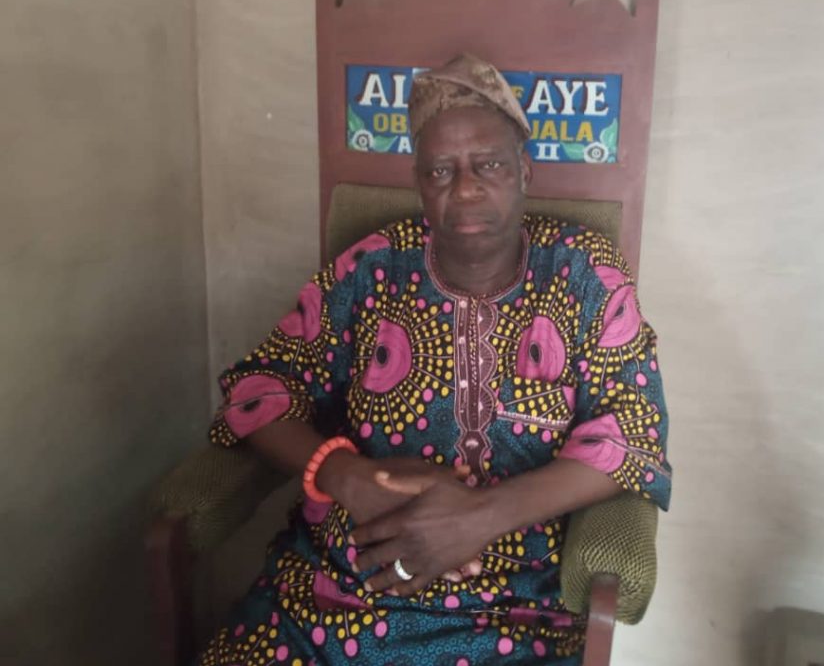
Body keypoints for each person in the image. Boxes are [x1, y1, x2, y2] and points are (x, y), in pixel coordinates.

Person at [199, 54, 671, 665]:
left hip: (510, 613)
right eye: (441, 170)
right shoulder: (371, 268)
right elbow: (257, 390)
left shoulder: (585, 273)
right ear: (420, 183)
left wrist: (479, 518)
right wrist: (343, 474)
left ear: (525, 170)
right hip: (334, 594)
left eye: (489, 164)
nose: (465, 188)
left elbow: (632, 435)